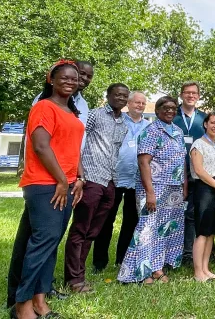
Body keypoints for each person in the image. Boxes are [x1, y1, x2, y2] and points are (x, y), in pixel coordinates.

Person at [7, 60, 93, 308]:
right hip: (46, 184)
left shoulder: (72, 111)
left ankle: (40, 301)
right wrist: (62, 181)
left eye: (74, 79)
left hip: (65, 185)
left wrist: (79, 179)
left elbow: (73, 150)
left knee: (50, 244)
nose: (70, 82)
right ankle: (21, 305)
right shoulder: (44, 107)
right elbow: (41, 147)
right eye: (64, 78)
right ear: (51, 80)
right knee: (41, 244)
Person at [64, 83, 129, 293]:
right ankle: (73, 279)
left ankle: (79, 274)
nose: (121, 98)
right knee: (80, 229)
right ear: (108, 95)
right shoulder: (94, 115)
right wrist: (79, 175)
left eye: (124, 96)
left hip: (110, 181)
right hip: (91, 178)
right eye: (117, 94)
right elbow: (77, 143)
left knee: (93, 231)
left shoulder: (123, 123)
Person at [117, 96, 188, 284]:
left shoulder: (178, 132)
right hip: (154, 187)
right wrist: (150, 192)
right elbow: (143, 162)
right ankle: (140, 272)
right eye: (165, 108)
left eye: (173, 108)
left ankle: (156, 268)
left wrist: (184, 185)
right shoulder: (151, 130)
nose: (170, 110)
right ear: (157, 111)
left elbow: (182, 161)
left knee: (163, 230)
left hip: (173, 189)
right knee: (147, 230)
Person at [92, 91, 150, 272]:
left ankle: (122, 260)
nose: (140, 106)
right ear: (129, 104)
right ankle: (99, 263)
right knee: (106, 220)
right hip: (115, 178)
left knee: (130, 222)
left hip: (136, 180)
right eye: (136, 102)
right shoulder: (118, 121)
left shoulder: (148, 126)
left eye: (143, 103)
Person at [190, 112, 215, 282]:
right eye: (212, 122)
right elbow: (199, 170)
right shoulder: (198, 144)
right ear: (205, 124)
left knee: (212, 232)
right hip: (205, 190)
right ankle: (198, 272)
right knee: (202, 232)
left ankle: (206, 268)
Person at [173, 81, 207, 265]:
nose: (191, 96)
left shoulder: (203, 118)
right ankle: (171, 252)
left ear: (198, 96)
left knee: (192, 215)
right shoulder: (172, 114)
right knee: (173, 214)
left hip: (197, 173)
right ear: (181, 95)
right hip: (173, 174)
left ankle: (188, 252)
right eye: (187, 92)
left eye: (194, 93)